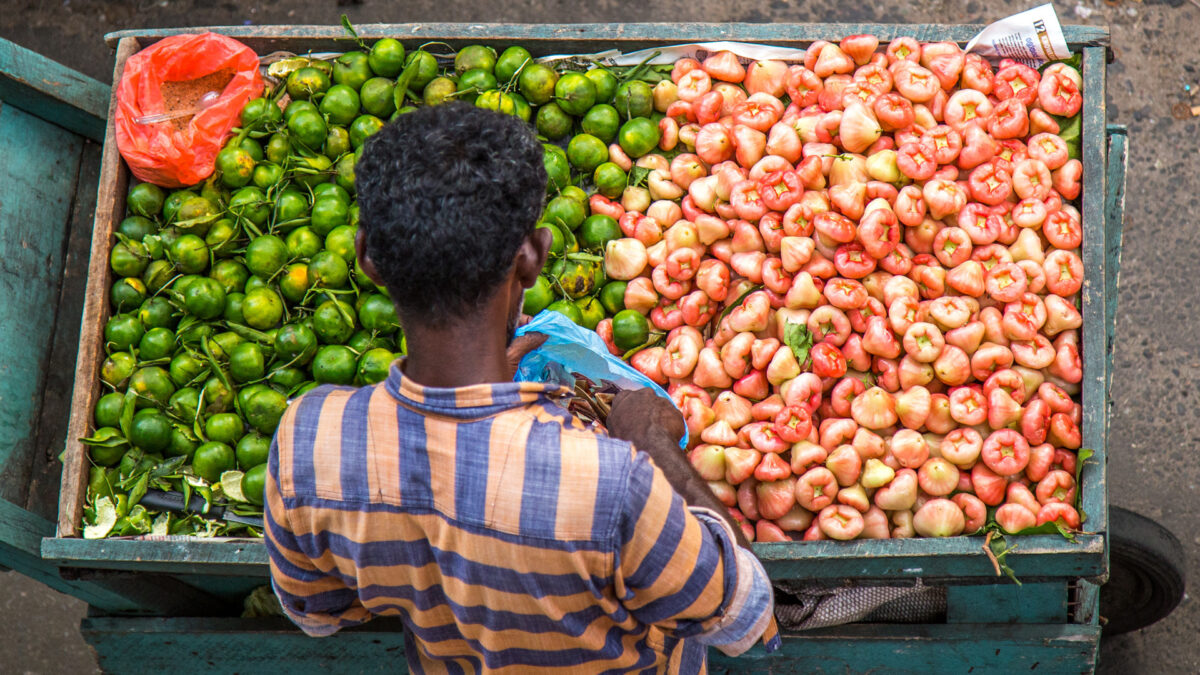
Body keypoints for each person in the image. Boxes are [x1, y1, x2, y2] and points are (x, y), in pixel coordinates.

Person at [264, 103, 779, 673]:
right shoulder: (614, 482)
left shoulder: (306, 440)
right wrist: (653, 444)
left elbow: (317, 613)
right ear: (532, 256)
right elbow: (745, 613)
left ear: (367, 258)